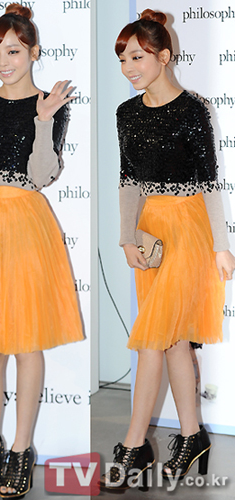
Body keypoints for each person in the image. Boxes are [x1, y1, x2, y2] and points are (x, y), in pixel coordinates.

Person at [0, 3, 83, 498]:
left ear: (34, 52)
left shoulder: (53, 103)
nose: (3, 62)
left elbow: (41, 176)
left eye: (13, 51)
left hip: (27, 226)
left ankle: (22, 449)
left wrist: (44, 120)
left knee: (27, 344)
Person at [100, 9, 235, 492]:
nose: (128, 67)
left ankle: (133, 444)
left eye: (137, 57)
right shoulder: (127, 113)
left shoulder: (194, 109)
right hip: (150, 234)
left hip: (189, 228)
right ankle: (192, 435)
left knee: (153, 338)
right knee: (173, 340)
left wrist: (222, 246)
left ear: (164, 55)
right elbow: (128, 181)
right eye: (122, 59)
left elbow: (210, 183)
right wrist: (126, 237)